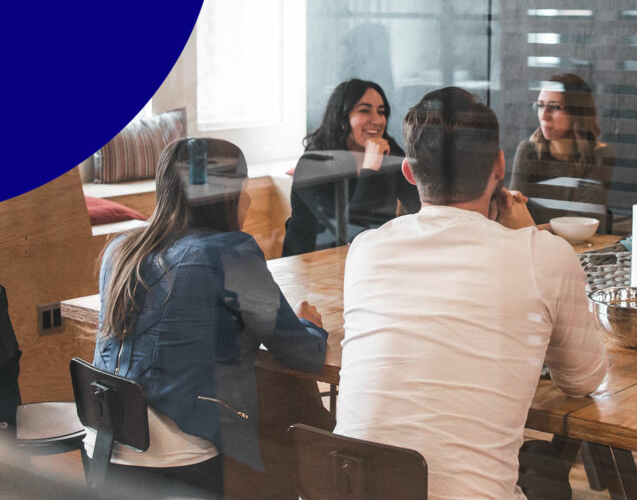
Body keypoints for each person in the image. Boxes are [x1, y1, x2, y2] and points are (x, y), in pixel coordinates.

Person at [335, 87, 608, 500]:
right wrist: (527, 237)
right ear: (499, 166)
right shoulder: (544, 255)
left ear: (409, 171)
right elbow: (583, 379)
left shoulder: (366, 250)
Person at [89, 138, 329, 499]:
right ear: (228, 195)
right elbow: (302, 354)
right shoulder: (230, 254)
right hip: (177, 460)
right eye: (244, 190)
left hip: (104, 448)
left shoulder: (119, 251)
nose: (247, 200)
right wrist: (312, 325)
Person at [282, 79, 421, 256]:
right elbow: (350, 232)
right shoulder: (313, 164)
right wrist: (371, 168)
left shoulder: (389, 150)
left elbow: (421, 204)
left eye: (381, 112)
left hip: (370, 258)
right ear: (341, 119)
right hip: (311, 265)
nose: (377, 120)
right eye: (364, 110)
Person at [509, 74, 615, 227]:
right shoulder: (529, 151)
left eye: (555, 107)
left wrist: (531, 231)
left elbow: (583, 220)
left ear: (577, 112)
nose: (544, 115)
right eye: (540, 106)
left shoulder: (600, 155)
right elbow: (514, 211)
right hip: (534, 245)